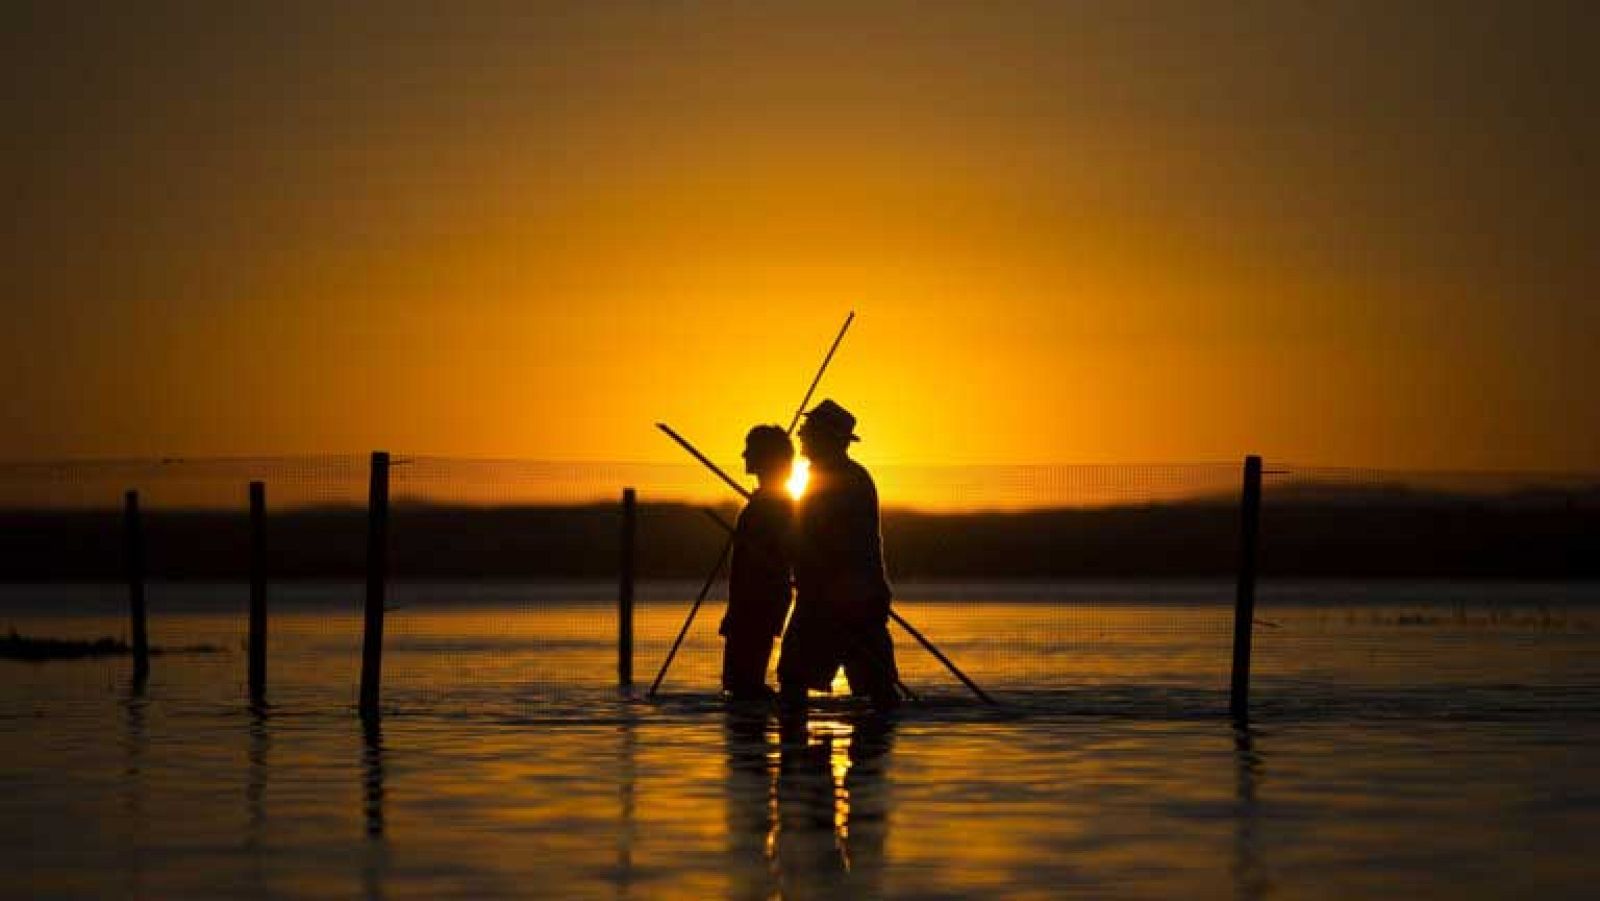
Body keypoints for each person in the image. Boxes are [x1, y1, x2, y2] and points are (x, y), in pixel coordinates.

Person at [777, 399, 900, 712]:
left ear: (825, 438)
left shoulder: (834, 481)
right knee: (877, 691)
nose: (801, 435)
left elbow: (819, 539)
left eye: (808, 430)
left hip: (830, 601)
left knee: (794, 681)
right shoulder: (850, 476)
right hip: (858, 599)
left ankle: (802, 755)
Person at [719, 424, 796, 701]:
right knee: (739, 682)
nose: (743, 455)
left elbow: (778, 553)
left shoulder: (777, 504)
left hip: (758, 602)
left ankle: (753, 733)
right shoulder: (767, 503)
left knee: (742, 683)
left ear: (766, 457)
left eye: (750, 450)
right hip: (749, 603)